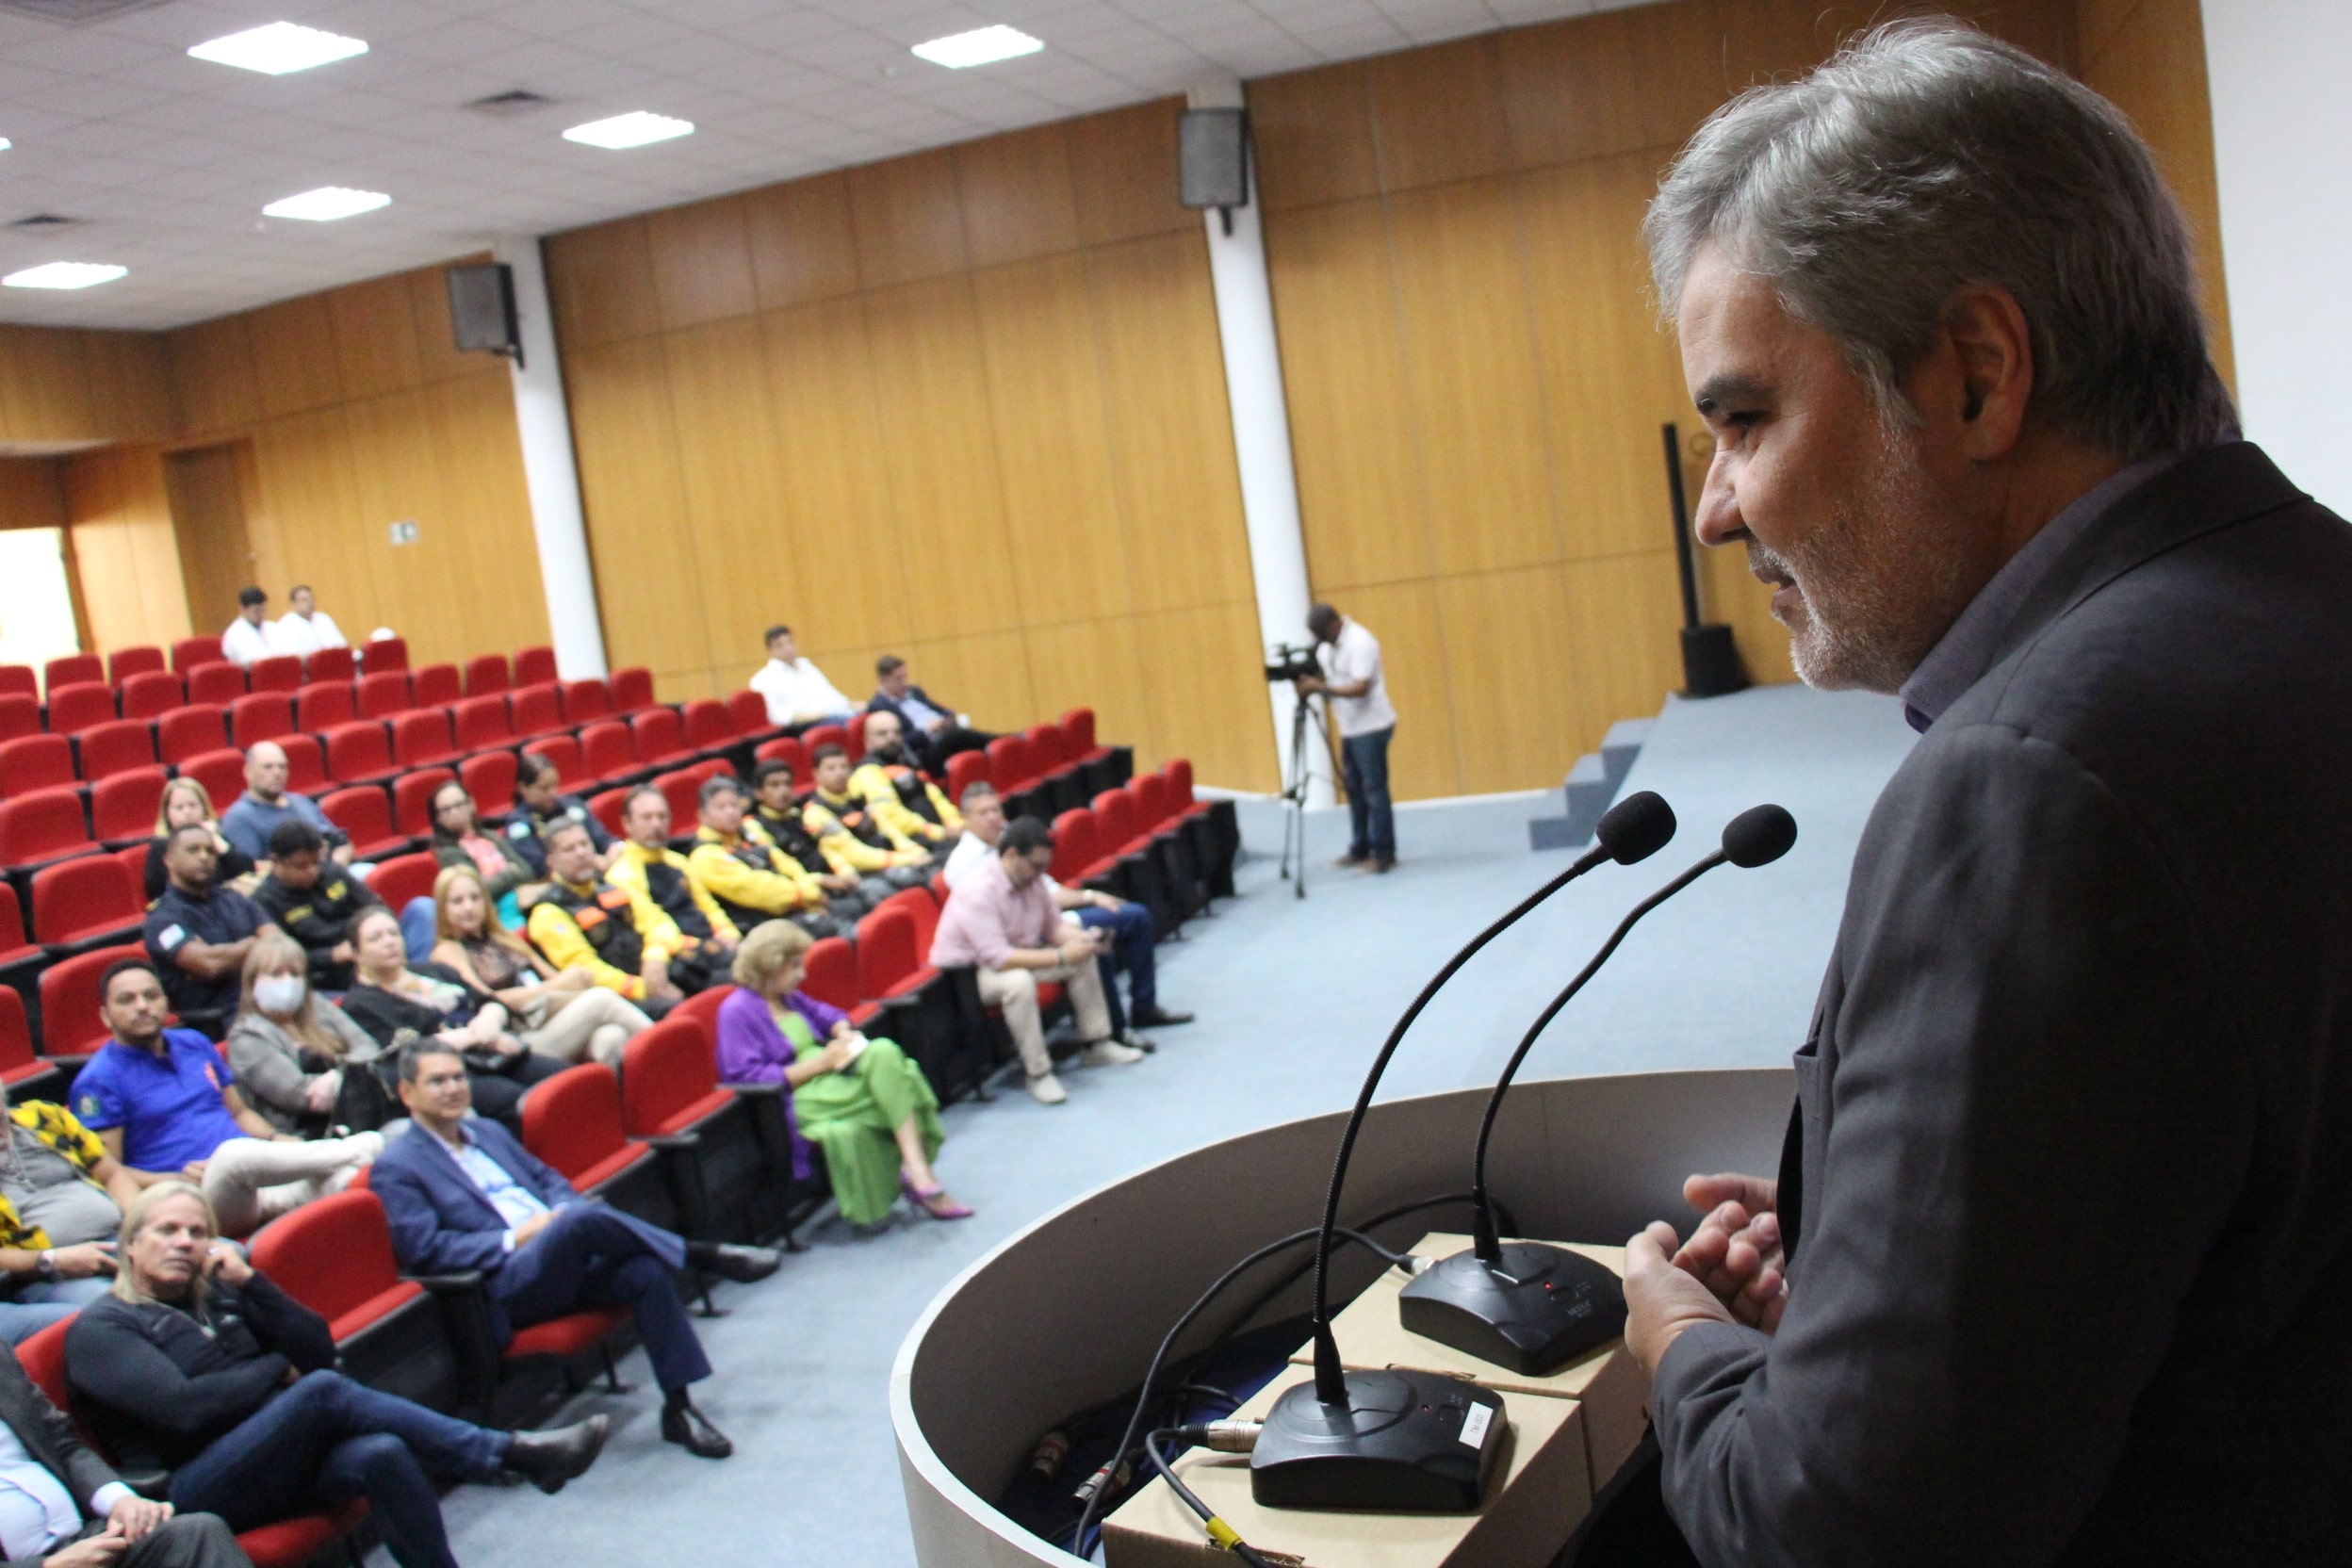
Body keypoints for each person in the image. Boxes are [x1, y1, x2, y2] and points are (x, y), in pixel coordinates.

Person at [1608, 22, 2348, 1568]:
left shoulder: (2027, 787)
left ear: (1977, 375)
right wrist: (1892, 1249)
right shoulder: (2312, 598)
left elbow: (1843, 1532)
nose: (1717, 503)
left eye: (1743, 419)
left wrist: (1681, 1341)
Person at [66, 1184, 607, 1568]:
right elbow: (187, 1409)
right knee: (321, 1393)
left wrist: (254, 1284)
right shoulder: (104, 1328)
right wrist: (277, 1369)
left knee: (381, 1453)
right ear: (130, 1244)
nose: (185, 1242)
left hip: (270, 1461)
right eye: (167, 1231)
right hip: (189, 1492)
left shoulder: (220, 1292)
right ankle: (508, 1454)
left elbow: (317, 1350)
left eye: (197, 1232)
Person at [371, 1043, 781, 1462]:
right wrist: (519, 1236)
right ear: (408, 1093)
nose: (454, 1088)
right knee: (579, 1220)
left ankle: (680, 1408)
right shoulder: (398, 1167)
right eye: (437, 1081)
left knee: (642, 1270)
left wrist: (562, 1210)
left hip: (563, 1256)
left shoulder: (490, 1133)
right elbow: (427, 1251)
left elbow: (547, 1179)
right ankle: (701, 1254)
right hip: (503, 1284)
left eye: (459, 1077)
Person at [71, 960, 380, 1239]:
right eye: (127, 1000)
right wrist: (174, 1179)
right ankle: (362, 1146)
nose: (142, 1006)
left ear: (165, 1002)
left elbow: (240, 1114)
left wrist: (278, 1139)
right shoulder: (98, 1081)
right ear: (105, 1015)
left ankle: (332, 1167)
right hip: (191, 1198)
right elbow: (111, 1171)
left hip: (256, 1179)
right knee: (231, 1156)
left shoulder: (194, 1043)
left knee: (347, 1178)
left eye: (151, 996)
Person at [715, 923, 965, 1226]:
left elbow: (829, 1016)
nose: (802, 974)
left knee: (884, 1051)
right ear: (771, 966)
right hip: (797, 1098)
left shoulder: (787, 997)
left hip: (830, 1077)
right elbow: (749, 1078)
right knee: (903, 1077)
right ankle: (917, 1172)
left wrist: (841, 1031)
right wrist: (820, 1064)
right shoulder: (735, 1011)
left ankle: (916, 1168)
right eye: (794, 966)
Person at [943, 782, 1189, 1048]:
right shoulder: (963, 864)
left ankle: (1143, 1009)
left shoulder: (1010, 840)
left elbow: (1046, 888)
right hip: (1022, 934)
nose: (993, 817)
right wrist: (1085, 902)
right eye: (983, 813)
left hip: (1047, 918)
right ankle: (1116, 1031)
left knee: (1135, 917)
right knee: (1088, 945)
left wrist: (1088, 896)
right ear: (965, 819)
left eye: (996, 809)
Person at [929, 817, 1138, 1105]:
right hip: (969, 974)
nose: (1040, 873)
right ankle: (1039, 1074)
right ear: (1012, 854)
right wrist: (1061, 954)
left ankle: (1096, 1044)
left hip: (1015, 954)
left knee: (1082, 956)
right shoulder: (977, 891)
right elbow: (998, 958)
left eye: (1044, 867)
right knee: (1019, 983)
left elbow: (1053, 927)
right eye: (1035, 866)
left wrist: (1082, 940)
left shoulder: (1033, 879)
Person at [0, 1331, 250, 1568]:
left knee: (197, 1533)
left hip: (83, 1537)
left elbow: (61, 1443)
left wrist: (121, 1501)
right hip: (32, 1562)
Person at [335, 908, 563, 1134]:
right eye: (376, 938)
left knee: (562, 1077)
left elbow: (488, 1000)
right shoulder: (358, 1005)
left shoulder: (434, 971)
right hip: (449, 1075)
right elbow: (402, 1056)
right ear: (356, 953)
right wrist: (475, 1036)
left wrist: (490, 1020)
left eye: (394, 934)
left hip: (494, 1052)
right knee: (514, 1100)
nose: (389, 942)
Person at [428, 866, 653, 1069]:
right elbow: (489, 1000)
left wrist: (572, 982)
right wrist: (558, 985)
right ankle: (676, 1051)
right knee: (601, 999)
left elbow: (553, 978)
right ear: (443, 910)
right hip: (518, 1038)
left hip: (549, 1018)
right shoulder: (448, 951)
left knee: (610, 1037)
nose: (468, 907)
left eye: (475, 898)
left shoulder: (504, 938)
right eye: (457, 901)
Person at [0, 1090, 142, 1345]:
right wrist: (51, 1260)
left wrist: (140, 1224)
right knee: (116, 1308)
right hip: (49, 1272)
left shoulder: (44, 1116)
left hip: (120, 1235)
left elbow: (113, 1175)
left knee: (215, 1257)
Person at [221, 933, 388, 1137]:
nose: (287, 982)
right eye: (276, 974)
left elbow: (368, 1046)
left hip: (358, 1113)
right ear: (252, 983)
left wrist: (337, 1077)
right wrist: (357, 1075)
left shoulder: (315, 1004)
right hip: (302, 1136)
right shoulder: (246, 1037)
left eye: (295, 974)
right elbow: (300, 1095)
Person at [525, 820, 696, 1017]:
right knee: (676, 1009)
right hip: (615, 998)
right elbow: (587, 971)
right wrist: (644, 987)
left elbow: (656, 921)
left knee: (715, 969)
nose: (581, 853)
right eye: (569, 849)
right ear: (551, 862)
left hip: (653, 971)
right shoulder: (548, 912)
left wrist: (655, 956)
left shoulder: (609, 885)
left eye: (584, 844)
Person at [142, 826, 277, 1040]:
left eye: (209, 850)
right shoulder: (162, 920)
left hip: (269, 996)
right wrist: (255, 943)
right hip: (223, 1020)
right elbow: (210, 965)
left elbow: (278, 942)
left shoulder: (234, 898)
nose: (204, 856)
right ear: (168, 859)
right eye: (193, 850)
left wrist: (231, 955)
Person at [1297, 601, 1396, 874]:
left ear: (1333, 624)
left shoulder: (1361, 642)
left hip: (1372, 726)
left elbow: (1361, 688)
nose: (1320, 641)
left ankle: (1384, 854)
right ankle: (1360, 848)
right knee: (1354, 790)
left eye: (1322, 633)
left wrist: (1321, 688)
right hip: (1351, 728)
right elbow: (1329, 676)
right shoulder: (1328, 645)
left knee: (1374, 791)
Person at [686, 775, 838, 940]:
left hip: (796, 907)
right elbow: (761, 891)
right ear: (703, 816)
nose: (730, 812)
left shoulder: (748, 832)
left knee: (852, 904)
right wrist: (808, 896)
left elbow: (786, 863)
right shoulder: (704, 856)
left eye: (734, 805)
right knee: (832, 926)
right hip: (761, 928)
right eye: (721, 808)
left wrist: (809, 890)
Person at [749, 758, 891, 922]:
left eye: (787, 784)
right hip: (808, 897)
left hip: (836, 881)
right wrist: (822, 881)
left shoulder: (800, 815)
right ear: (758, 793)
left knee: (881, 888)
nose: (783, 791)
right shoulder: (755, 828)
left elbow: (829, 848)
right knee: (863, 907)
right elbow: (780, 873)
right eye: (774, 785)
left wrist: (845, 873)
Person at [607, 788, 741, 959]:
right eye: (646, 818)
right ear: (627, 823)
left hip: (713, 944)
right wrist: (705, 946)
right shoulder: (621, 875)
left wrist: (727, 931)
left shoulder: (679, 861)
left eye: (662, 817)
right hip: (679, 954)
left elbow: (708, 907)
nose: (656, 824)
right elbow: (655, 925)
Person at [247, 820, 380, 992]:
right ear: (275, 861)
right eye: (301, 866)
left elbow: (373, 906)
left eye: (316, 862)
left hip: (364, 950)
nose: (312, 871)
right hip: (322, 976)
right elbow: (284, 957)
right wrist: (331, 956)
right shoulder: (263, 902)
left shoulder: (332, 871)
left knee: (419, 908)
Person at [804, 744, 932, 889]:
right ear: (816, 774)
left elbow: (888, 828)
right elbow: (856, 855)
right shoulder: (815, 812)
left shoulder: (857, 795)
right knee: (913, 878)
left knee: (933, 858)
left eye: (844, 766)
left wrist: (914, 850)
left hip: (888, 858)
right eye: (831, 768)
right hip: (860, 875)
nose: (839, 773)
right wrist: (907, 859)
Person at [218, 743, 351, 870]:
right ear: (248, 772)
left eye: (282, 767)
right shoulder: (238, 817)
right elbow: (251, 868)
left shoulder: (301, 801)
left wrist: (336, 866)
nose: (277, 773)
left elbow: (343, 843)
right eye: (268, 767)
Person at [850, 711, 962, 848]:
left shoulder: (907, 763)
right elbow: (892, 815)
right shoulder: (867, 771)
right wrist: (941, 832)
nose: (891, 738)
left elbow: (935, 796)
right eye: (882, 734)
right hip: (911, 842)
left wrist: (955, 823)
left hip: (939, 834)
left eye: (896, 733)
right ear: (867, 740)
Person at [867, 655, 991, 773]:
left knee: (961, 739)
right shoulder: (879, 706)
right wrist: (928, 730)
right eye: (899, 679)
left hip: (944, 734)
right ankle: (995, 740)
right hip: (925, 750)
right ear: (884, 680)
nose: (904, 682)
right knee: (955, 736)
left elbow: (942, 710)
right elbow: (901, 740)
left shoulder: (915, 692)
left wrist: (947, 719)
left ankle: (996, 745)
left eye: (905, 676)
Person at [504, 753, 620, 879]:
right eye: (544, 788)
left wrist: (612, 855)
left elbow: (605, 839)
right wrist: (592, 861)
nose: (553, 793)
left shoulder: (572, 805)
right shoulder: (518, 825)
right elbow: (540, 869)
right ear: (523, 788)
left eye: (555, 785)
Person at [145, 777, 257, 905]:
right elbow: (156, 892)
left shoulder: (215, 836)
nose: (187, 812)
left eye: (193, 805)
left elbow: (247, 869)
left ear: (204, 808)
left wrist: (221, 846)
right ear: (167, 814)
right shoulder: (161, 846)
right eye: (179, 808)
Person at [746, 625, 855, 727]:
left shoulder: (806, 666)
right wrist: (820, 715)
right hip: (811, 724)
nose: (787, 648)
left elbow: (831, 693)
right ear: (770, 650)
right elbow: (778, 716)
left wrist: (855, 706)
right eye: (780, 645)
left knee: (867, 716)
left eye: (790, 642)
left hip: (837, 713)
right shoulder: (764, 679)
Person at [271, 585, 346, 660]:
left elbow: (341, 646)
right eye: (304, 600)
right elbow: (292, 656)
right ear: (294, 603)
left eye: (312, 599)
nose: (310, 603)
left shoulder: (323, 618)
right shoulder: (287, 624)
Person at [217, 588, 279, 669]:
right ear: (242, 609)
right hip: (252, 677)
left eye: (263, 610)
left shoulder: (272, 627)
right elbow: (247, 663)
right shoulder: (234, 634)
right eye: (256, 611)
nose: (261, 614)